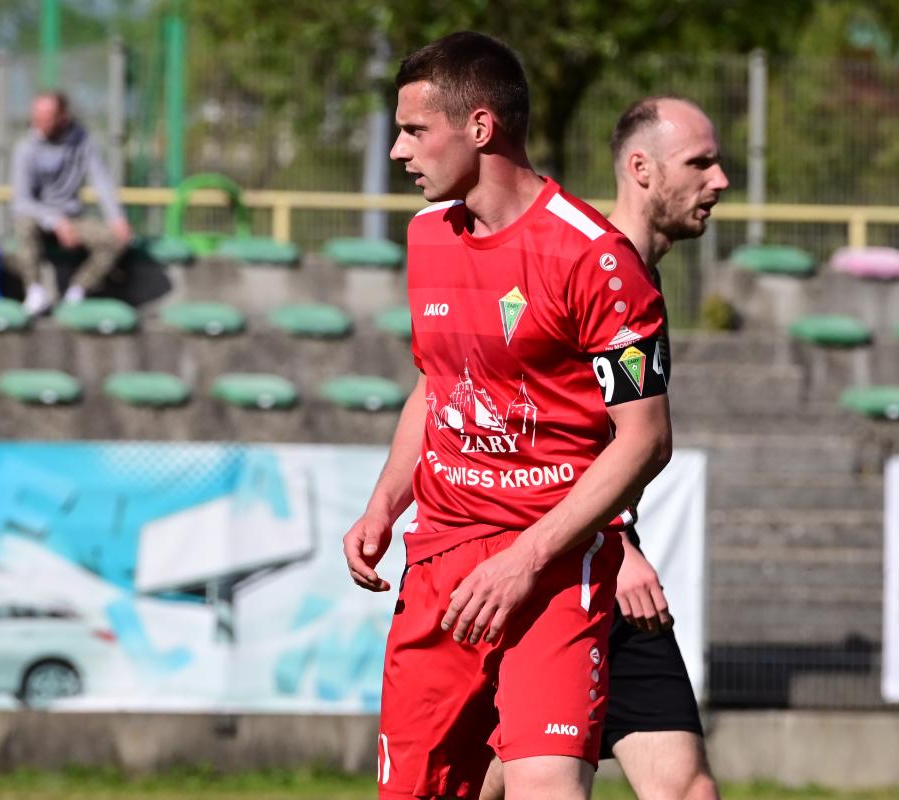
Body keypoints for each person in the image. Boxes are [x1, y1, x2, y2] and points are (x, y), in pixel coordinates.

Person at [342, 32, 672, 800]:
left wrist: (525, 558)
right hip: (439, 567)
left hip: (552, 569)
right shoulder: (427, 238)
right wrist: (385, 503)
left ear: (481, 127)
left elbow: (646, 440)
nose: (397, 150)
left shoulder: (597, 260)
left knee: (546, 785)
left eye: (414, 130)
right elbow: (438, 384)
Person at [480, 97, 728, 800]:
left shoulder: (638, 275)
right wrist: (613, 539)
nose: (720, 180)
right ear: (641, 169)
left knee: (685, 788)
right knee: (484, 782)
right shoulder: (586, 266)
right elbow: (529, 424)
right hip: (554, 559)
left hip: (599, 551)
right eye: (701, 163)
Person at [11, 90, 133, 314]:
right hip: (39, 219)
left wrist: (117, 218)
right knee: (23, 222)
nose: (39, 123)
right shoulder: (26, 148)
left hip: (72, 218)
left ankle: (77, 292)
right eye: (36, 117)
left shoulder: (83, 141)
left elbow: (101, 181)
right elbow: (21, 201)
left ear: (63, 117)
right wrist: (56, 222)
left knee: (118, 239)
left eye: (46, 118)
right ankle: (35, 292)